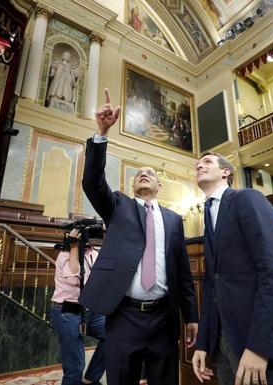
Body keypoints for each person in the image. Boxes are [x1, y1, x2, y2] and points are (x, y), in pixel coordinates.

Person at [79, 88, 198, 385]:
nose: (144, 174)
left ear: (159, 185)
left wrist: (191, 316)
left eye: (150, 173)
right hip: (124, 316)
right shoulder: (119, 206)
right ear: (133, 186)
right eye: (138, 173)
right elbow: (93, 183)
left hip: (164, 318)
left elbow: (182, 273)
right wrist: (102, 132)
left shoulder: (173, 220)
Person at [191, 153, 273, 385]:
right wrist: (203, 342)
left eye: (207, 162)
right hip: (223, 340)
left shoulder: (247, 198)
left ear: (226, 172)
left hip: (257, 338)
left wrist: (261, 345)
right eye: (197, 164)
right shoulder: (208, 213)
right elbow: (213, 283)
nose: (199, 165)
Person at [49, 228, 105, 385]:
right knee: (75, 366)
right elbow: (74, 277)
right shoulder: (65, 255)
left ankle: (90, 379)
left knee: (113, 335)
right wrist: (73, 247)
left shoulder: (94, 253)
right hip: (66, 311)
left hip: (88, 310)